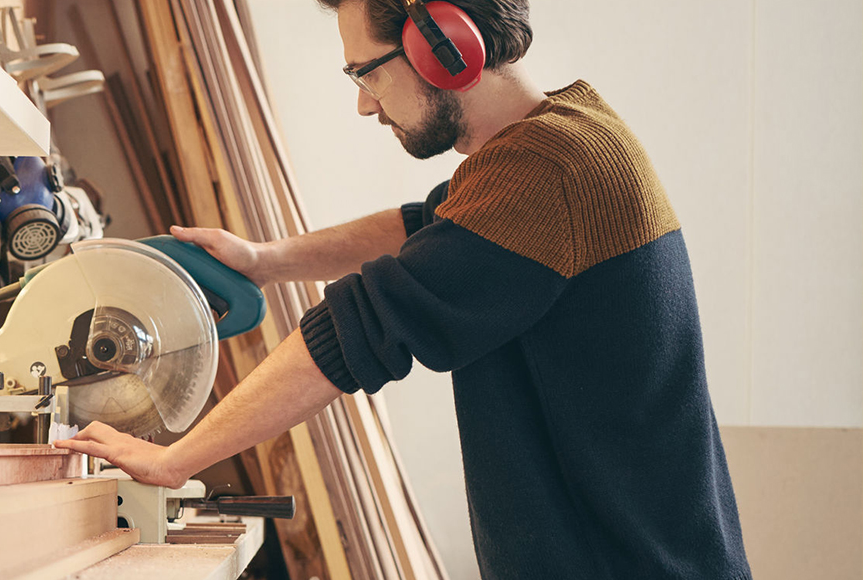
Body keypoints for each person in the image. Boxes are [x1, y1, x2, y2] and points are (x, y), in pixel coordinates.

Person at [54, 1, 751, 577]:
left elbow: (362, 327)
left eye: (367, 73)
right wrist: (265, 259)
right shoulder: (564, 138)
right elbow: (423, 226)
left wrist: (175, 459)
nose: (363, 104)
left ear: (444, 48)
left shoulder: (548, 174)